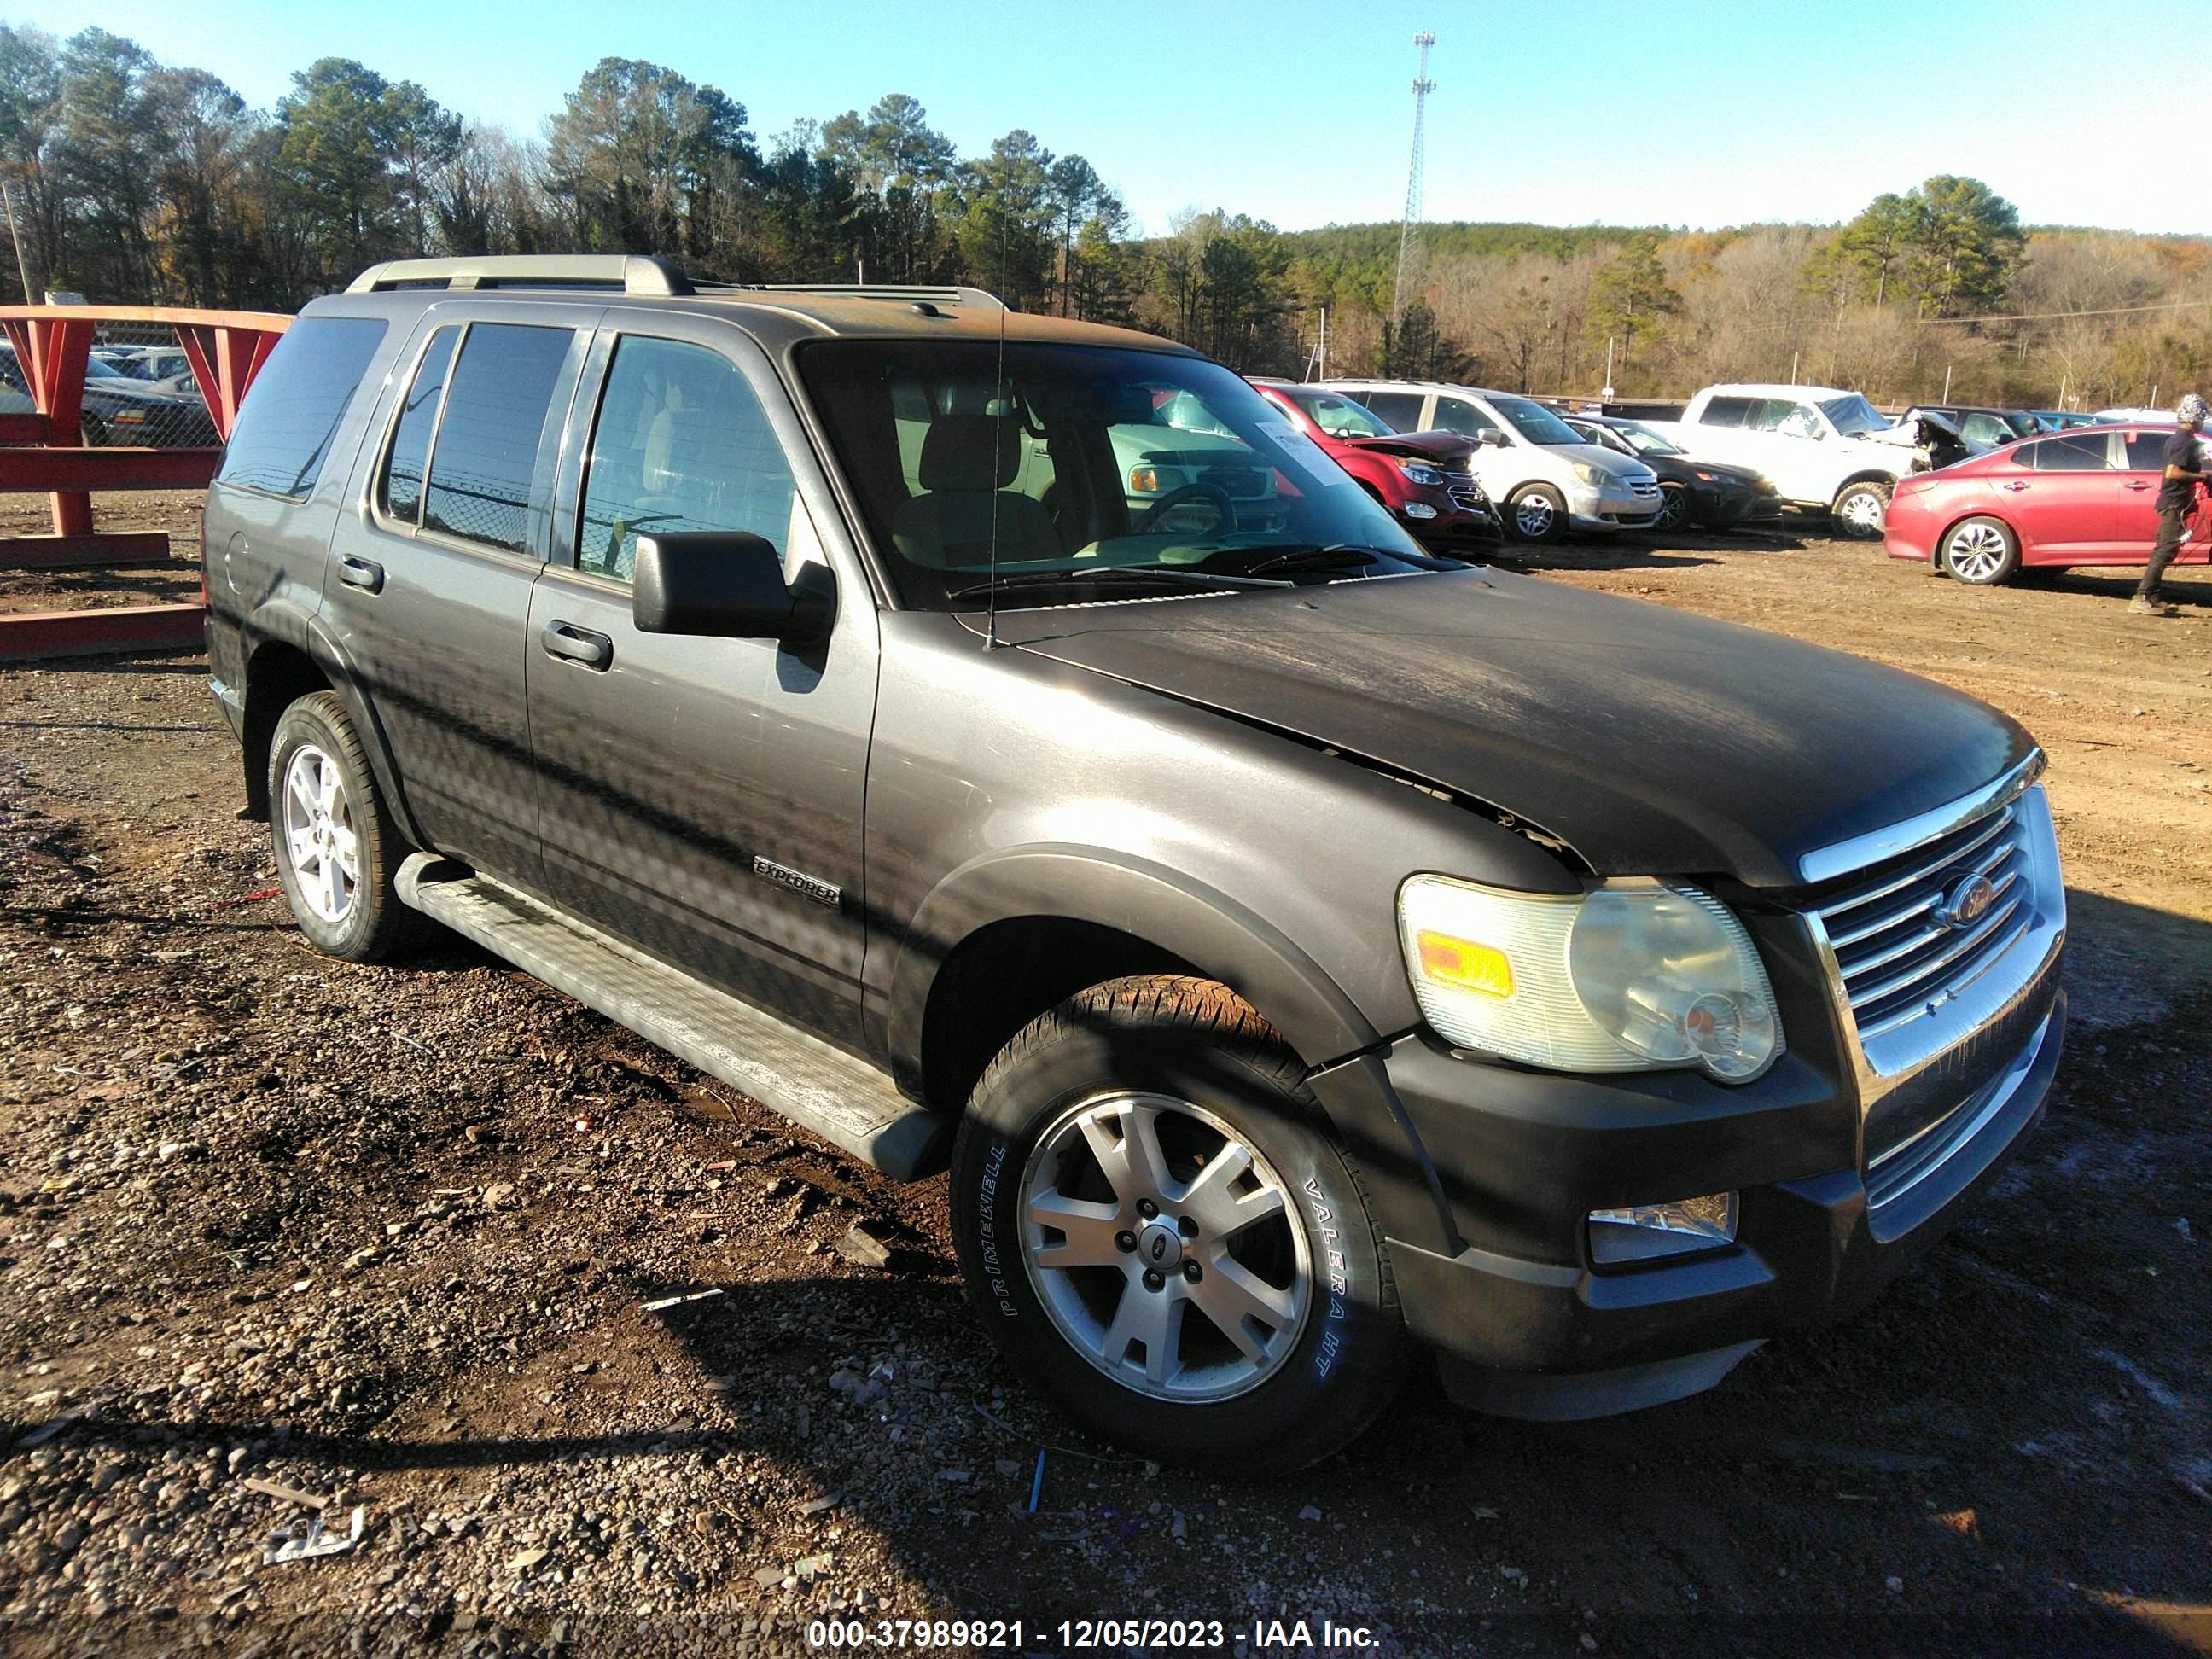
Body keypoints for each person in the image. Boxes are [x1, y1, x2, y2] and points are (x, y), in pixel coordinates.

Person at [2134, 393, 2209, 616]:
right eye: (2202, 417)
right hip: (2173, 503)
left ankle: (2153, 595)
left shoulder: (2178, 439)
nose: (2203, 421)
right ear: (2195, 418)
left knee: (2168, 548)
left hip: (2175, 502)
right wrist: (2202, 478)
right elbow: (2173, 472)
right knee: (2164, 550)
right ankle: (2143, 596)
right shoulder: (2184, 442)